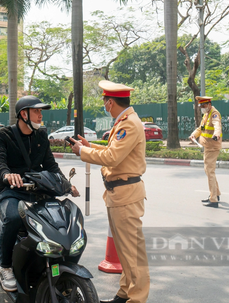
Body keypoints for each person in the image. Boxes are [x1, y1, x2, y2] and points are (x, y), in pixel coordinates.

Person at [69, 80, 150, 303]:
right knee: (125, 252)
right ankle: (124, 294)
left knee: (133, 254)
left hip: (125, 195)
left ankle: (137, 298)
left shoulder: (129, 124)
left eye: (105, 100)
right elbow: (114, 151)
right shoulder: (125, 121)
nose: (104, 104)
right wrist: (90, 146)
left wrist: (82, 151)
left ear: (110, 102)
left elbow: (112, 158)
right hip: (119, 194)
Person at [0, 95, 79, 292]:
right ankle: (5, 267)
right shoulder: (3, 135)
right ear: (24, 114)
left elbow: (50, 165)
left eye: (41, 112)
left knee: (61, 218)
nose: (40, 115)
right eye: (37, 111)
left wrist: (65, 184)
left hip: (37, 190)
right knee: (13, 218)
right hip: (11, 191)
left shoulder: (41, 136)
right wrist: (6, 174)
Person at [189, 96, 222, 208]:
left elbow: (217, 124)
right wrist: (194, 134)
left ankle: (213, 200)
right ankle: (216, 194)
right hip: (207, 146)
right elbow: (201, 128)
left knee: (210, 172)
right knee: (209, 171)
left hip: (212, 146)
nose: (202, 108)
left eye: (203, 106)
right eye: (201, 106)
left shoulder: (214, 113)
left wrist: (216, 134)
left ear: (209, 104)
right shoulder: (206, 114)